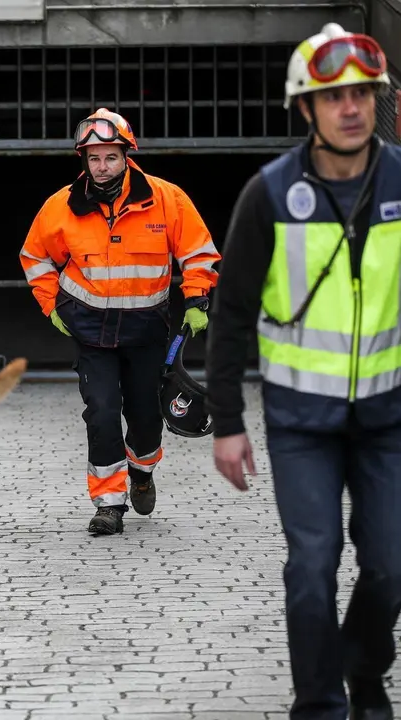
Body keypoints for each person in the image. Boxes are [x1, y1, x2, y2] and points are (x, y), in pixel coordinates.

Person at [206, 24, 401, 720]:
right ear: (306, 108)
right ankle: (319, 705)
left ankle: (364, 668)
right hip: (300, 423)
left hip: (388, 420)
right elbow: (229, 318)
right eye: (333, 96)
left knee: (389, 566)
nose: (350, 107)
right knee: (312, 570)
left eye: (362, 94)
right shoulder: (269, 194)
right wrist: (226, 425)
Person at [18, 107, 221, 536]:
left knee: (146, 417)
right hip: (90, 332)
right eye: (93, 158)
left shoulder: (166, 199)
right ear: (84, 160)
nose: (102, 166)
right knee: (103, 412)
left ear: (127, 155)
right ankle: (109, 502)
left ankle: (142, 472)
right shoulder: (61, 207)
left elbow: (198, 251)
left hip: (146, 332)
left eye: (110, 157)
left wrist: (197, 299)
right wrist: (51, 304)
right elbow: (35, 257)